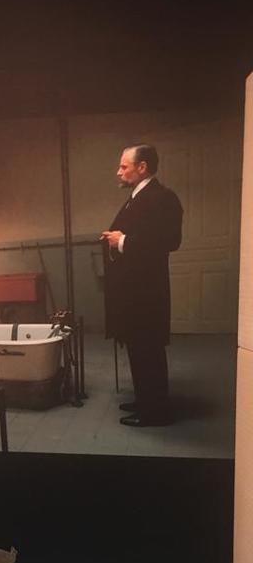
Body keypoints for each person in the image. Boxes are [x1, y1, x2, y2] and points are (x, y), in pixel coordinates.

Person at [101, 144, 183, 427]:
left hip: (147, 293)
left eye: (124, 166)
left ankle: (155, 413)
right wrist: (115, 238)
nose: (119, 172)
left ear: (142, 167)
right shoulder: (137, 197)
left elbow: (170, 240)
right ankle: (145, 401)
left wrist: (122, 241)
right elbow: (141, 232)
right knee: (138, 349)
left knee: (148, 350)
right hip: (134, 291)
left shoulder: (162, 197)